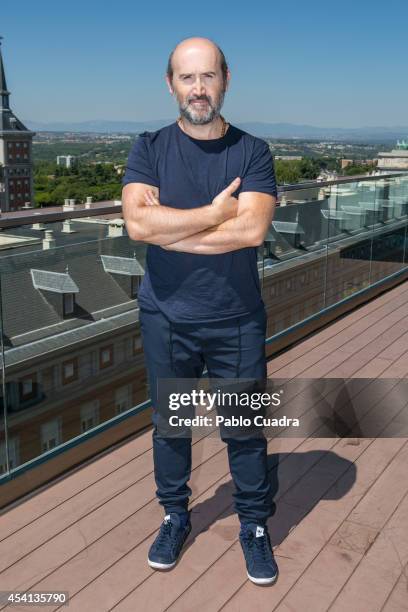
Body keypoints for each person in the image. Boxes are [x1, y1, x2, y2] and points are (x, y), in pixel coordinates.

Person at [121, 36, 279, 585]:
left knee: (244, 427)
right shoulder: (148, 147)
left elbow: (253, 228)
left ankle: (255, 526)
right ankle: (174, 515)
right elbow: (139, 226)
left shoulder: (253, 151)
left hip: (236, 315)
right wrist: (214, 216)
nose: (197, 88)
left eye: (207, 76)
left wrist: (175, 229)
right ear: (171, 85)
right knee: (172, 425)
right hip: (165, 314)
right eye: (187, 78)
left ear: (225, 80)